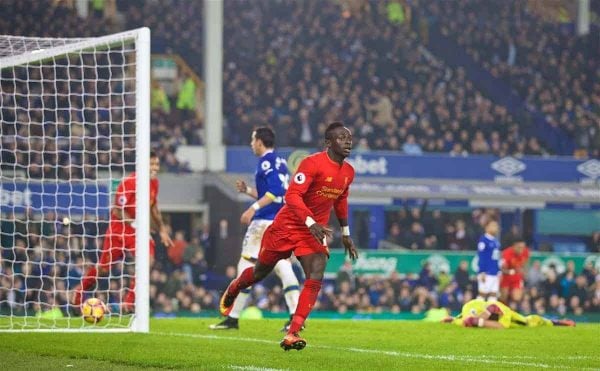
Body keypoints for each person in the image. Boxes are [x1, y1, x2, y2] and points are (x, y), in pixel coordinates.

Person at [218, 122, 357, 351]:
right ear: (328, 143)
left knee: (316, 274)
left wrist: (345, 232)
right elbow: (292, 196)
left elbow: (340, 201)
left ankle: (293, 332)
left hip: (313, 231)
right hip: (287, 225)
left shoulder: (348, 172)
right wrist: (310, 221)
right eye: (342, 138)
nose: (348, 141)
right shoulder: (312, 163)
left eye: (349, 137)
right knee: (259, 272)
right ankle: (235, 286)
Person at [210, 127, 301, 331]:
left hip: (263, 223)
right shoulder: (281, 162)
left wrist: (252, 209)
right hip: (279, 222)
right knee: (283, 266)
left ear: (260, 142)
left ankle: (232, 318)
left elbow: (275, 193)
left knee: (245, 267)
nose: (251, 144)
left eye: (253, 140)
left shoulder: (266, 161)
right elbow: (271, 193)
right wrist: (249, 191)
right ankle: (296, 316)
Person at [72, 151, 174, 311]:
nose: (155, 167)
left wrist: (161, 229)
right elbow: (118, 210)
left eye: (157, 164)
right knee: (104, 269)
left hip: (134, 230)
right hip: (118, 228)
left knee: (148, 259)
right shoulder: (130, 182)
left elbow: (153, 207)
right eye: (151, 164)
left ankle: (129, 302)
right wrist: (135, 223)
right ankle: (79, 291)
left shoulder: (154, 183)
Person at [443, 299, 575, 329]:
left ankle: (558, 322)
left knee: (526, 322)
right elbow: (465, 320)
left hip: (510, 315)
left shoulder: (503, 311)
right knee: (461, 321)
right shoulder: (471, 307)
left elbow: (501, 327)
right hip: (477, 312)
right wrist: (452, 319)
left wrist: (479, 322)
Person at [500, 238, 530, 304]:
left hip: (517, 276)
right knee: (503, 298)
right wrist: (511, 271)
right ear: (514, 246)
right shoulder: (506, 253)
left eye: (523, 247)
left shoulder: (526, 251)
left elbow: (526, 263)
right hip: (506, 276)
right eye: (519, 247)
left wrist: (524, 271)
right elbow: (501, 269)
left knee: (517, 297)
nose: (521, 250)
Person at [476, 220, 500, 301]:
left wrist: (498, 271)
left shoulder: (496, 241)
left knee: (493, 294)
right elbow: (481, 256)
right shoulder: (483, 240)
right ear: (487, 228)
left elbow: (496, 258)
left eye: (496, 226)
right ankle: (475, 312)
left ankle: (491, 313)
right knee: (482, 294)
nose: (496, 228)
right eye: (493, 226)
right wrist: (482, 271)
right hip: (486, 273)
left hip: (494, 272)